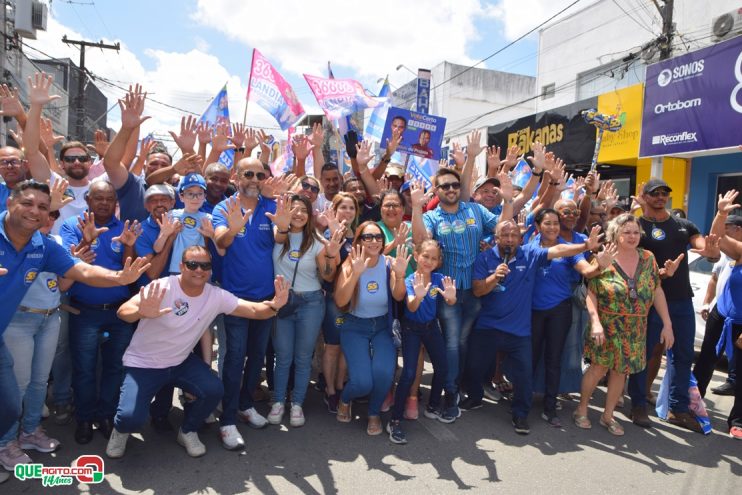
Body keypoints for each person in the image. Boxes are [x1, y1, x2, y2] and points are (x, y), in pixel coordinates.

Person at [0, 180, 148, 470]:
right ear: (9, 203)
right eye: (28, 203)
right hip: (49, 318)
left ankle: (21, 437)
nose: (35, 211)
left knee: (14, 399)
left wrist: (120, 278)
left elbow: (80, 269)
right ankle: (7, 444)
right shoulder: (65, 228)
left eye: (43, 207)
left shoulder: (41, 245)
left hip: (91, 314)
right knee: (14, 395)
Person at [105, 246, 289, 458]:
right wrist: (140, 311)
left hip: (181, 361)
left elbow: (254, 310)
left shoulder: (216, 295)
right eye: (192, 264)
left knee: (213, 389)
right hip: (144, 363)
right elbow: (123, 312)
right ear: (181, 266)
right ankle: (120, 431)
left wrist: (275, 305)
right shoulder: (162, 286)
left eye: (205, 266)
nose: (199, 270)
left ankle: (188, 430)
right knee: (130, 418)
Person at [464, 220, 601, 435]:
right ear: (496, 238)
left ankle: (520, 415)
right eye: (504, 235)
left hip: (519, 331)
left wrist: (585, 246)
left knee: (524, 375)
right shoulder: (485, 258)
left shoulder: (531, 254)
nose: (509, 239)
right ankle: (474, 398)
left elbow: (558, 250)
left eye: (513, 235)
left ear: (520, 238)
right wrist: (494, 277)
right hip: (488, 327)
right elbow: (478, 291)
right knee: (474, 366)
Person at [411, 167, 505, 408]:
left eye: (455, 185)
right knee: (453, 341)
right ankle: (450, 390)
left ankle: (460, 384)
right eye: (445, 186)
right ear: (436, 190)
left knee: (465, 341)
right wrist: (415, 207)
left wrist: (511, 199)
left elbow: (501, 228)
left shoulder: (475, 209)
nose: (451, 189)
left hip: (474, 289)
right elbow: (421, 242)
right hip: (447, 291)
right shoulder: (432, 217)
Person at [573, 214, 674, 436]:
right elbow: (591, 293)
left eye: (636, 232)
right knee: (598, 368)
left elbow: (656, 290)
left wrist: (667, 324)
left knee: (621, 371)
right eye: (626, 232)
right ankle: (581, 409)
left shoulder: (648, 258)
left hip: (636, 328)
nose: (632, 236)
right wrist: (595, 322)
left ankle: (607, 416)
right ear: (616, 234)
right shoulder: (604, 256)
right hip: (606, 325)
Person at [628, 178, 716, 431]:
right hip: (648, 301)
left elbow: (702, 246)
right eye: (655, 193)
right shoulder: (637, 226)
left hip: (680, 300)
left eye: (664, 193)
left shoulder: (683, 225)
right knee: (643, 353)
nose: (660, 197)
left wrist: (708, 249)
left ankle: (677, 409)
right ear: (644, 197)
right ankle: (638, 404)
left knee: (683, 355)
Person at [59, 181, 144, 445]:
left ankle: (106, 414)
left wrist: (129, 245)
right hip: (84, 311)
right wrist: (87, 238)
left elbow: (128, 272)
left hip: (118, 311)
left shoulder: (123, 228)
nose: (105, 203)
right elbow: (71, 264)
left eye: (109, 198)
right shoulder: (72, 225)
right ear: (88, 199)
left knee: (115, 367)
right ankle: (84, 417)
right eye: (99, 198)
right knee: (84, 369)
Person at [212, 157, 279, 449]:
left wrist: (286, 227)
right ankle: (226, 420)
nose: (254, 178)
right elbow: (221, 242)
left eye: (259, 174)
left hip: (265, 297)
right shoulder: (223, 208)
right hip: (234, 299)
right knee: (234, 357)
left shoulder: (271, 206)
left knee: (257, 355)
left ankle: (245, 404)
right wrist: (232, 227)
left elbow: (283, 234)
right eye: (248, 173)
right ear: (236, 176)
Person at [529, 208, 614, 426]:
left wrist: (600, 265)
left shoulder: (569, 250)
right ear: (538, 226)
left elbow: (587, 271)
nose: (552, 227)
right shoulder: (528, 247)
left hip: (560, 310)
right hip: (531, 312)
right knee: (529, 357)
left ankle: (550, 408)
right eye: (547, 223)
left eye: (555, 223)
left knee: (553, 359)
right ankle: (523, 401)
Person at [267, 195, 343, 427]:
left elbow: (328, 275)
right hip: (283, 301)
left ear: (310, 215)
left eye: (303, 210)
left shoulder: (317, 241)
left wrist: (330, 253)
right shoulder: (278, 233)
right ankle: (278, 401)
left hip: (310, 303)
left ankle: (297, 403)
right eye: (294, 209)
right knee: (283, 356)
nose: (298, 214)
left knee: (302, 357)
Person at [334, 221, 409, 435]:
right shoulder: (351, 263)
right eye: (368, 237)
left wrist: (401, 275)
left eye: (378, 237)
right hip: (354, 325)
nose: (374, 241)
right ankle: (345, 398)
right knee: (362, 382)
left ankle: (374, 412)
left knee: (384, 374)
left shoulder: (389, 263)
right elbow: (340, 301)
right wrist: (356, 273)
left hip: (382, 326)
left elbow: (398, 295)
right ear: (359, 240)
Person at [387, 239, 458, 444]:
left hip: (431, 327)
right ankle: (395, 420)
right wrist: (418, 296)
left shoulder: (438, 278)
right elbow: (410, 307)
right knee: (408, 373)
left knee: (443, 367)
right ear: (416, 256)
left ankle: (433, 405)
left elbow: (449, 299)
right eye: (425, 256)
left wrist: (451, 298)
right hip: (411, 329)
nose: (429, 261)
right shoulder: (410, 280)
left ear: (438, 262)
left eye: (434, 258)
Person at [319, 192, 358, 413]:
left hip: (354, 299)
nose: (347, 212)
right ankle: (331, 391)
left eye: (351, 208)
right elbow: (327, 272)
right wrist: (334, 234)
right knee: (333, 346)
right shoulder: (327, 234)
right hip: (333, 299)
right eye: (343, 207)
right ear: (334, 209)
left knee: (346, 347)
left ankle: (341, 386)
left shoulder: (358, 235)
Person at [693, 214, 741, 397]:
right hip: (721, 314)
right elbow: (714, 279)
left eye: (729, 226)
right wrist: (721, 213)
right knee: (706, 358)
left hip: (739, 318)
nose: (725, 229)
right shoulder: (730, 251)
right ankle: (692, 404)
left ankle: (737, 421)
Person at [708, 190, 742, 439]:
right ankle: (689, 407)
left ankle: (738, 421)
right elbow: (716, 238)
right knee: (704, 363)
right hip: (722, 319)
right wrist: (721, 213)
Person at [155, 173, 223, 275]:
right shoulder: (172, 215)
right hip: (178, 270)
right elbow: (157, 248)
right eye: (190, 194)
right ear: (181, 197)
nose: (195, 198)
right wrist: (165, 234)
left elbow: (222, 252)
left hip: (202, 270)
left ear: (204, 196)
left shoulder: (208, 218)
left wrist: (212, 236)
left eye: (199, 194)